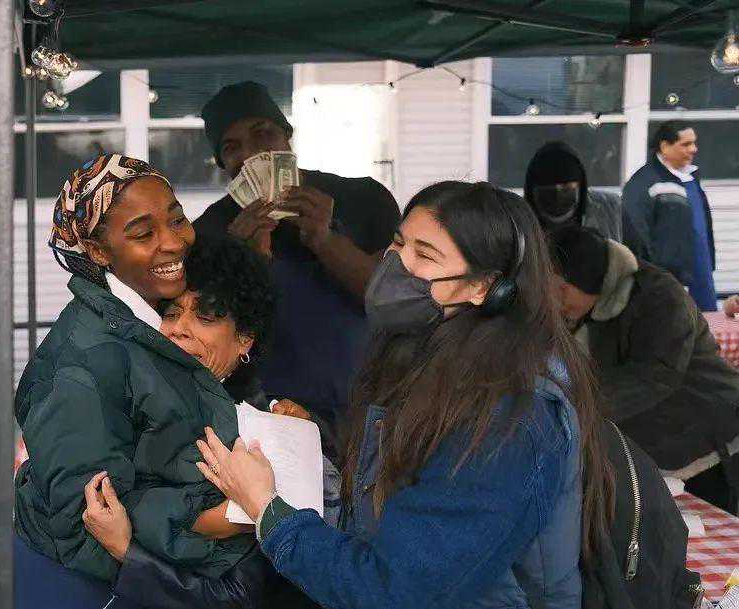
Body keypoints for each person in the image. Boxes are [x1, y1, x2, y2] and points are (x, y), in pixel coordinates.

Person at [193, 181, 614, 609]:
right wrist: (311, 452)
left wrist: (266, 509)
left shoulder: (510, 414)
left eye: (424, 255)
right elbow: (386, 513)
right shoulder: (424, 358)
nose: (396, 264)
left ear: (484, 286)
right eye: (398, 243)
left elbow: (391, 590)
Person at [13, 155, 255, 608]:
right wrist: (213, 522)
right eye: (144, 234)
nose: (174, 242)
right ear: (98, 252)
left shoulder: (147, 320)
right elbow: (87, 520)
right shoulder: (82, 361)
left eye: (177, 219)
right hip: (86, 588)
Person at [83, 235, 328, 609]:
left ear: (244, 339)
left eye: (205, 317)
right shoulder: (128, 405)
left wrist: (126, 551)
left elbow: (234, 597)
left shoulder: (261, 436)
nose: (179, 328)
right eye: (170, 313)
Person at [193, 81, 401, 460]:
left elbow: (391, 298)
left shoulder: (363, 197)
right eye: (231, 146)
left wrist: (325, 239)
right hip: (269, 417)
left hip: (369, 406)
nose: (251, 153)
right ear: (222, 164)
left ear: (287, 134)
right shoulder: (211, 229)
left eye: (262, 133)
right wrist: (246, 264)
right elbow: (209, 336)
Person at [550, 226, 739, 511]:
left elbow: (656, 376)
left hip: (709, 440)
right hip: (654, 446)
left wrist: (575, 409)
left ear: (588, 278)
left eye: (562, 290)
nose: (555, 302)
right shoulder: (575, 310)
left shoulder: (659, 297)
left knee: (705, 526)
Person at [622, 121, 717, 311]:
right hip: (665, 283)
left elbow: (703, 229)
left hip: (701, 277)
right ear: (665, 146)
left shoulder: (691, 179)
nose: (694, 149)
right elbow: (636, 235)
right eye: (686, 144)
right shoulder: (644, 183)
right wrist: (653, 276)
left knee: (706, 324)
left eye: (694, 143)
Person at [523, 141, 645, 256]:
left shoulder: (611, 209)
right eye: (548, 193)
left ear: (580, 188)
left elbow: (639, 259)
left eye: (566, 190)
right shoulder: (519, 219)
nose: (556, 198)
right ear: (532, 193)